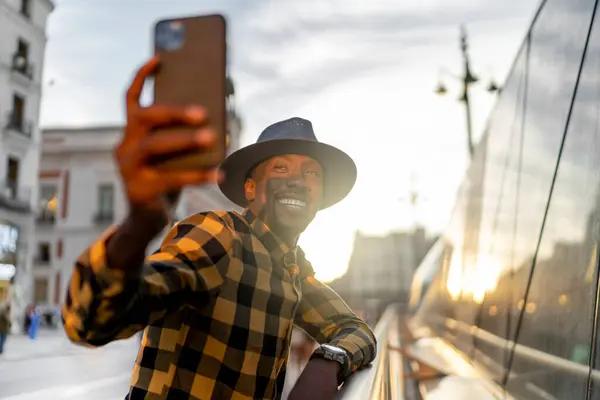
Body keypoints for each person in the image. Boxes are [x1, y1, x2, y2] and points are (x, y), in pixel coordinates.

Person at [61, 57, 376, 400]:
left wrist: (330, 358)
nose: (299, 182)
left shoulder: (293, 269)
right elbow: (92, 322)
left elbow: (354, 329)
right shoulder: (220, 234)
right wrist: (137, 228)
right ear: (251, 189)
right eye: (281, 168)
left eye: (312, 173)